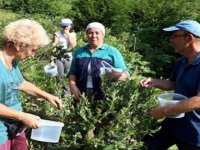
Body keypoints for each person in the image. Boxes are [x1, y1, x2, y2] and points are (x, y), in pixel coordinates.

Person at [0, 19, 62, 150]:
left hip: (15, 125)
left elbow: (20, 83)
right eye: (33, 50)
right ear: (19, 45)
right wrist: (22, 116)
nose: (33, 55)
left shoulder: (12, 62)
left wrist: (46, 96)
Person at [140, 20, 200, 150]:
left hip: (195, 132)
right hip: (174, 123)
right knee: (146, 144)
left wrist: (163, 111)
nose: (171, 40)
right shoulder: (182, 62)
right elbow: (172, 84)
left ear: (189, 38)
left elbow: (198, 101)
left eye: (174, 36)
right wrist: (154, 81)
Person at [68, 22, 129, 101]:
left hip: (104, 95)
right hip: (81, 94)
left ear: (103, 35)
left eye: (97, 33)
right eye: (90, 33)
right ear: (86, 35)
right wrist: (72, 85)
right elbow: (73, 72)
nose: (94, 36)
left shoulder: (112, 51)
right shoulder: (79, 52)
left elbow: (126, 73)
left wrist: (118, 76)